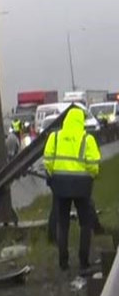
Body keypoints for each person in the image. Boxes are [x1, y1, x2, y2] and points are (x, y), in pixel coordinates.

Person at [44, 104, 102, 273]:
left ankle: (63, 262)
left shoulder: (55, 137)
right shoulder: (87, 139)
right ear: (81, 121)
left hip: (60, 185)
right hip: (82, 186)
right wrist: (91, 174)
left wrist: (54, 173)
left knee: (63, 223)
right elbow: (93, 165)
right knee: (85, 223)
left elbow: (47, 160)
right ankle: (83, 261)